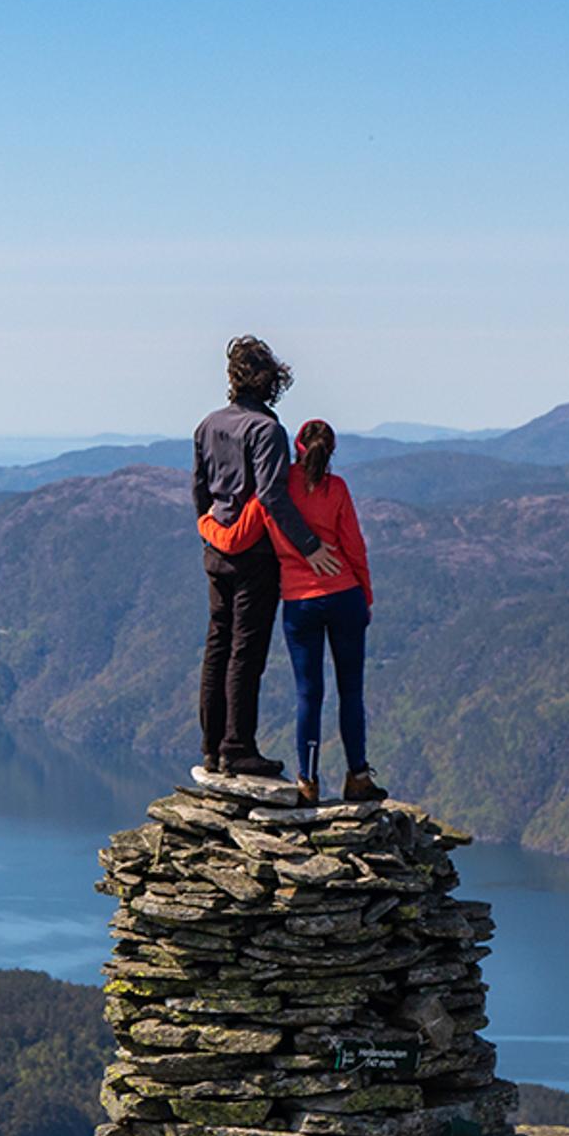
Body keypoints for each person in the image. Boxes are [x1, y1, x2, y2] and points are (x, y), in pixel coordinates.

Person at [192, 335, 340, 777]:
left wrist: (211, 536)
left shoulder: (207, 425)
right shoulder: (267, 431)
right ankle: (238, 748)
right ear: (270, 380)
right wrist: (310, 548)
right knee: (246, 651)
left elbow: (199, 492)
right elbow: (273, 496)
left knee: (217, 645)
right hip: (255, 555)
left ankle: (211, 746)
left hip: (216, 549)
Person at [270, 418, 382, 805]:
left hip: (299, 603)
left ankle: (308, 782)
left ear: (296, 447)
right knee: (351, 691)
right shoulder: (337, 489)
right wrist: (365, 595)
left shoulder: (277, 489)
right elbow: (354, 546)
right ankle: (358, 777)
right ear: (330, 451)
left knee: (309, 693)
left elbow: (253, 527)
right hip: (344, 596)